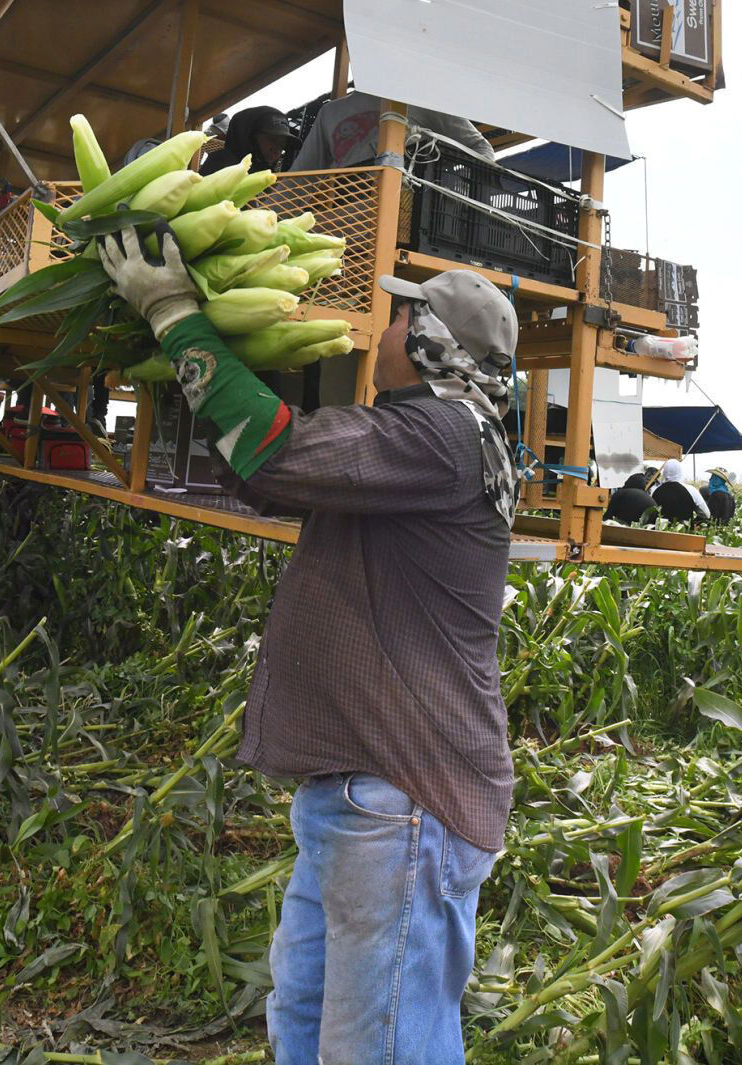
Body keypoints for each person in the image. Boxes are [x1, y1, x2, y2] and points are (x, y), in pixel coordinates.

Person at [98, 226, 517, 1064]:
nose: (384, 331)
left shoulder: (444, 437)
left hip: (404, 797)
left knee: (380, 1045)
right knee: (308, 1016)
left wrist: (178, 314)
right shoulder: (422, 440)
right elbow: (271, 465)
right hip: (363, 797)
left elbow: (277, 451)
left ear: (432, 344)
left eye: (404, 321)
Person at [289, 90, 495, 170]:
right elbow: (299, 179)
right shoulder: (330, 112)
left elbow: (481, 149)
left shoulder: (421, 94)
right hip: (346, 223)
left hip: (405, 221)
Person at [201, 106, 299, 175]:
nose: (277, 149)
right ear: (250, 136)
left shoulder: (265, 174)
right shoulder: (221, 165)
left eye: (282, 145)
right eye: (272, 139)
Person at [651, 458, 710, 524]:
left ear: (664, 472)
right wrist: (694, 522)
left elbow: (650, 513)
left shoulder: (655, 491)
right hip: (684, 532)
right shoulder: (691, 490)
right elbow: (706, 514)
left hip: (659, 532)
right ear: (680, 471)